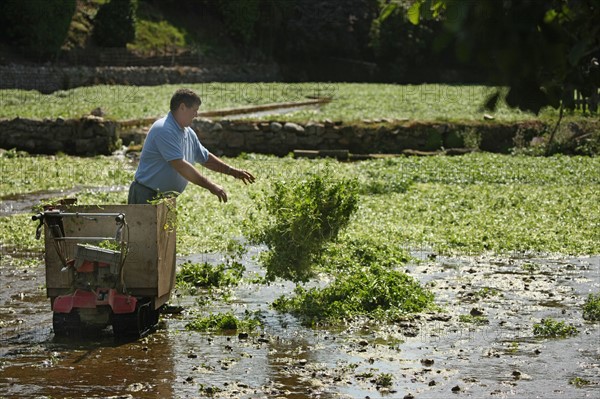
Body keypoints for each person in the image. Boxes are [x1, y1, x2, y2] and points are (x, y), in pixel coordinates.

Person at [128, 88, 255, 204]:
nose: (196, 115)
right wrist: (211, 186)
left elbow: (205, 158)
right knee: (141, 230)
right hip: (145, 195)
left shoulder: (188, 132)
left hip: (166, 198)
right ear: (182, 107)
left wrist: (232, 171)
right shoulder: (164, 129)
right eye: (194, 110)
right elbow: (180, 166)